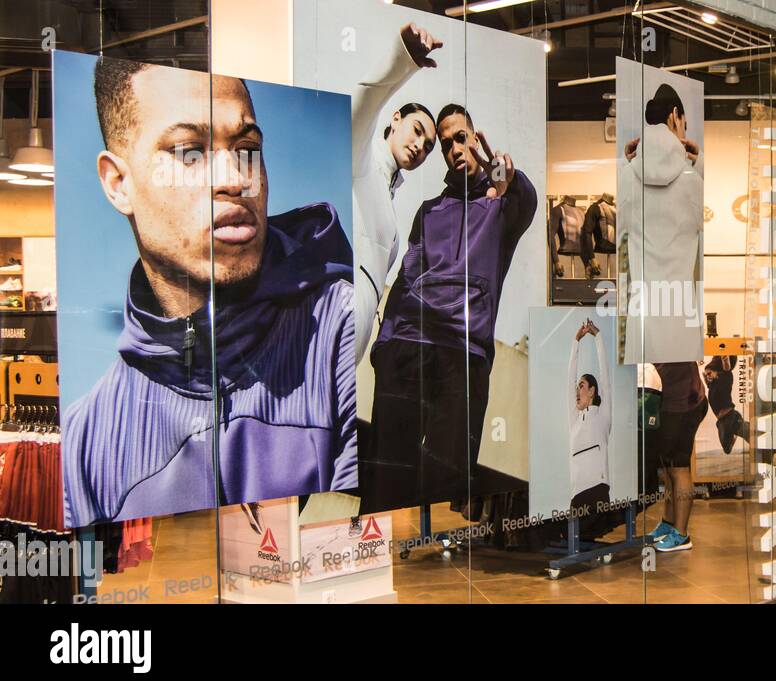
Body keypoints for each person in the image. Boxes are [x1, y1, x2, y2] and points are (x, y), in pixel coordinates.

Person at [63, 57, 357, 526]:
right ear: (119, 184)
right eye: (188, 152)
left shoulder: (344, 331)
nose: (235, 179)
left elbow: (352, 550)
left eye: (246, 148)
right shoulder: (85, 441)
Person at [364, 101, 537, 512]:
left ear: (475, 138)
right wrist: (383, 347)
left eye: (461, 138)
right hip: (409, 345)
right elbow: (406, 280)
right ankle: (366, 560)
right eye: (445, 144)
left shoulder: (501, 205)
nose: (454, 149)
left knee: (450, 473)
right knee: (386, 473)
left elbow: (524, 200)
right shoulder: (429, 212)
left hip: (464, 352)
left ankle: (438, 557)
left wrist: (508, 179)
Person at [350, 22, 440, 359]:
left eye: (429, 146)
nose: (420, 146)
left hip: (354, 348)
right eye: (417, 131)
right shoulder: (361, 158)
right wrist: (402, 60)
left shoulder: (389, 197)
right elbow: (364, 102)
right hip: (331, 330)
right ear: (396, 119)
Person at [618, 83, 704, 364]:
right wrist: (699, 163)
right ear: (674, 115)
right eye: (684, 125)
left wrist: (626, 164)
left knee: (642, 403)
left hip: (643, 319)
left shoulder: (627, 179)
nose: (684, 133)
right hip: (681, 316)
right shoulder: (693, 181)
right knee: (682, 403)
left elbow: (618, 240)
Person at [647, 362, 708, 552]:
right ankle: (669, 523)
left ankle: (681, 534)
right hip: (670, 403)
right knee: (668, 467)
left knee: (679, 468)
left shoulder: (677, 337)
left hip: (684, 405)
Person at [567, 319, 612, 514]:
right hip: (577, 493)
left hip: (598, 488)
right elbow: (569, 379)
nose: (577, 390)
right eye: (577, 386)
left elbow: (605, 375)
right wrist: (576, 341)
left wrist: (598, 337)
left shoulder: (602, 416)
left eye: (582, 386)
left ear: (592, 391)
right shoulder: (574, 418)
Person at [703, 355, 750, 454]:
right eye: (706, 374)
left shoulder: (725, 377)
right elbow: (710, 384)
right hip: (724, 419)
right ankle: (739, 426)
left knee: (728, 448)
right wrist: (707, 378)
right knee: (728, 447)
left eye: (709, 373)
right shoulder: (714, 382)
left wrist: (724, 355)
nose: (708, 376)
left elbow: (726, 369)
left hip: (728, 417)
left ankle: (739, 426)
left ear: (718, 371)